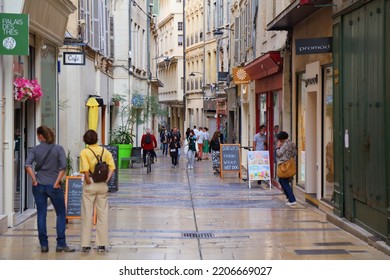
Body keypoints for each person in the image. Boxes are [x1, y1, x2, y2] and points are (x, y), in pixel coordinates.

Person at [25, 126, 75, 253]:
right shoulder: (58, 149)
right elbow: (63, 167)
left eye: (38, 135)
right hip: (54, 185)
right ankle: (61, 244)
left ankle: (44, 245)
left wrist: (34, 179)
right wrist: (57, 182)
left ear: (40, 136)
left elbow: (27, 165)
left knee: (41, 214)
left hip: (39, 185)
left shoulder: (35, 150)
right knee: (61, 213)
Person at [79, 130, 115, 252]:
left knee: (87, 214)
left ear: (85, 140)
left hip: (90, 185)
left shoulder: (85, 152)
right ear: (97, 138)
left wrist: (88, 180)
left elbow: (84, 169)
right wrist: (107, 179)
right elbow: (112, 168)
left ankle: (85, 244)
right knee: (103, 214)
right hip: (102, 185)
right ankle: (102, 243)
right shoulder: (105, 151)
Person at [275, 131, 297, 206]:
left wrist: (278, 147)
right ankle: (289, 197)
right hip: (290, 164)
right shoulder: (292, 143)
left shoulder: (284, 145)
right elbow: (294, 153)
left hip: (284, 165)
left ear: (281, 139)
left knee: (284, 182)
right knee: (282, 181)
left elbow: (279, 153)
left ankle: (292, 200)